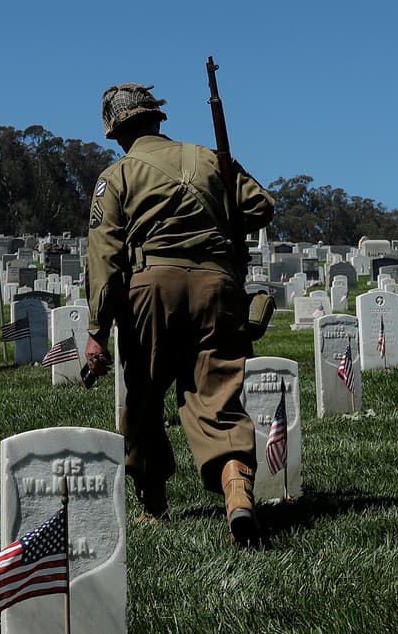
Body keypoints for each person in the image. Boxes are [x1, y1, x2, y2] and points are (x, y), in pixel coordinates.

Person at [83, 83, 275, 545]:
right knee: (219, 396)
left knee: (145, 400)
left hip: (151, 291)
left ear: (116, 131)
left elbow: (105, 260)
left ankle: (153, 506)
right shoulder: (211, 160)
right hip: (218, 288)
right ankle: (236, 494)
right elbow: (261, 205)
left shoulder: (118, 176)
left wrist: (97, 331)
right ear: (156, 119)